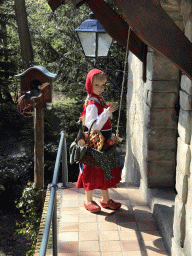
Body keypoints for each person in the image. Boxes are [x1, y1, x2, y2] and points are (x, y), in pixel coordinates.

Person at [76, 68, 121, 213]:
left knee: (104, 169)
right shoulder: (92, 104)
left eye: (103, 86)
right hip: (95, 142)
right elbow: (93, 126)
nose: (100, 89)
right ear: (90, 85)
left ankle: (105, 199)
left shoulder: (99, 101)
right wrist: (107, 112)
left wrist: (112, 135)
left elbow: (105, 124)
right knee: (91, 168)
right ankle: (88, 200)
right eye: (97, 85)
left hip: (104, 141)